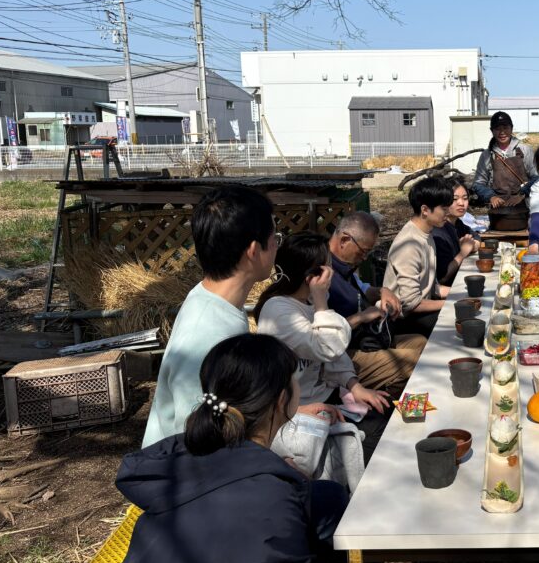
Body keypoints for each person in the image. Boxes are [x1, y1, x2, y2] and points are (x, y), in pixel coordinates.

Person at [103, 334, 348, 563]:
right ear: (282, 399)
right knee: (330, 507)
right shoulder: (269, 497)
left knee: (325, 497)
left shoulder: (178, 465)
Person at [142, 185, 277, 448]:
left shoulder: (213, 298)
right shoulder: (205, 336)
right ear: (253, 251)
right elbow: (194, 438)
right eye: (275, 239)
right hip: (188, 466)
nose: (276, 247)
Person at [255, 232, 392, 413]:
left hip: (326, 394)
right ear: (311, 278)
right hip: (300, 408)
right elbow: (329, 347)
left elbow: (335, 356)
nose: (332, 272)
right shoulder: (279, 312)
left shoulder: (309, 299)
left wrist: (355, 386)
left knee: (386, 408)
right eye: (328, 266)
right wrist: (321, 302)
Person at [325, 212, 425, 394]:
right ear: (344, 240)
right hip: (343, 354)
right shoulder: (323, 274)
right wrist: (361, 317)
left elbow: (363, 289)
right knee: (413, 361)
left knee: (421, 343)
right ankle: (387, 403)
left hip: (366, 340)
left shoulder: (344, 265)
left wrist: (382, 291)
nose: (364, 258)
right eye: (363, 251)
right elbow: (321, 336)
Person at [383, 176, 454, 338]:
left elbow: (430, 286)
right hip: (403, 319)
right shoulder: (409, 244)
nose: (448, 213)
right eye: (444, 209)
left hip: (420, 309)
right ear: (425, 210)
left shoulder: (426, 233)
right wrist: (451, 302)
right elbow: (411, 304)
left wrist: (458, 293)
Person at [471, 111, 538, 231]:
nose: (502, 132)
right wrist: (491, 197)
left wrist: (522, 194)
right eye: (497, 128)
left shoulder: (525, 150)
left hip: (524, 209)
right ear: (492, 131)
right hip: (499, 212)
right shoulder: (487, 155)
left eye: (505, 127)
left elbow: (537, 178)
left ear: (511, 128)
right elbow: (478, 183)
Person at [432, 177, 479, 286]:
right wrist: (462, 253)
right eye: (454, 199)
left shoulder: (457, 223)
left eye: (465, 198)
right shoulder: (438, 231)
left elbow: (476, 237)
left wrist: (472, 245)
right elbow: (442, 278)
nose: (461, 203)